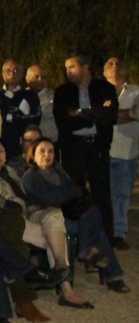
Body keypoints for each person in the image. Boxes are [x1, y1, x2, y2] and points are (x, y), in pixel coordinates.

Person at [0, 137, 75, 318]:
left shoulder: (11, 172)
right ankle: (32, 297)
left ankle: (62, 274)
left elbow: (25, 197)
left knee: (55, 219)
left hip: (25, 215)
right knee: (27, 239)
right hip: (5, 219)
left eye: (1, 151)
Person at [22, 138, 127, 294]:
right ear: (33, 155)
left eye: (50, 151)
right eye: (42, 151)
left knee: (94, 211)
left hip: (71, 212)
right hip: (52, 216)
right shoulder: (31, 176)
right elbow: (49, 199)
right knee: (96, 230)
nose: (47, 155)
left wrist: (64, 195)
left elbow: (77, 190)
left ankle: (89, 251)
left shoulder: (58, 171)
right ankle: (109, 272)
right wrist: (65, 195)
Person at [54, 52, 118, 236]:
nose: (68, 71)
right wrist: (93, 114)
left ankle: (106, 238)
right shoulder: (62, 92)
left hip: (97, 147)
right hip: (73, 149)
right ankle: (76, 235)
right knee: (74, 193)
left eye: (72, 67)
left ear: (85, 67)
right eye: (66, 68)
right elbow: (64, 122)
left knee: (101, 193)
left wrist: (80, 113)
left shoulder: (104, 88)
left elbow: (110, 115)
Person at [104, 57, 137, 248]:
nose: (115, 66)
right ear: (103, 71)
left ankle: (118, 233)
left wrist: (111, 114)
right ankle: (105, 232)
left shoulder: (136, 92)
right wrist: (129, 114)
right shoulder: (99, 91)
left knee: (122, 194)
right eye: (111, 63)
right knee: (103, 194)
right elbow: (98, 114)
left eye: (119, 63)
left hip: (127, 152)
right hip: (102, 150)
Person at [0, 60, 41, 157]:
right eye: (8, 70)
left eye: (16, 71)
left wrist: (9, 117)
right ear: (3, 74)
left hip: (22, 147)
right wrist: (17, 117)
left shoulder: (30, 96)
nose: (12, 73)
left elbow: (34, 119)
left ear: (21, 75)